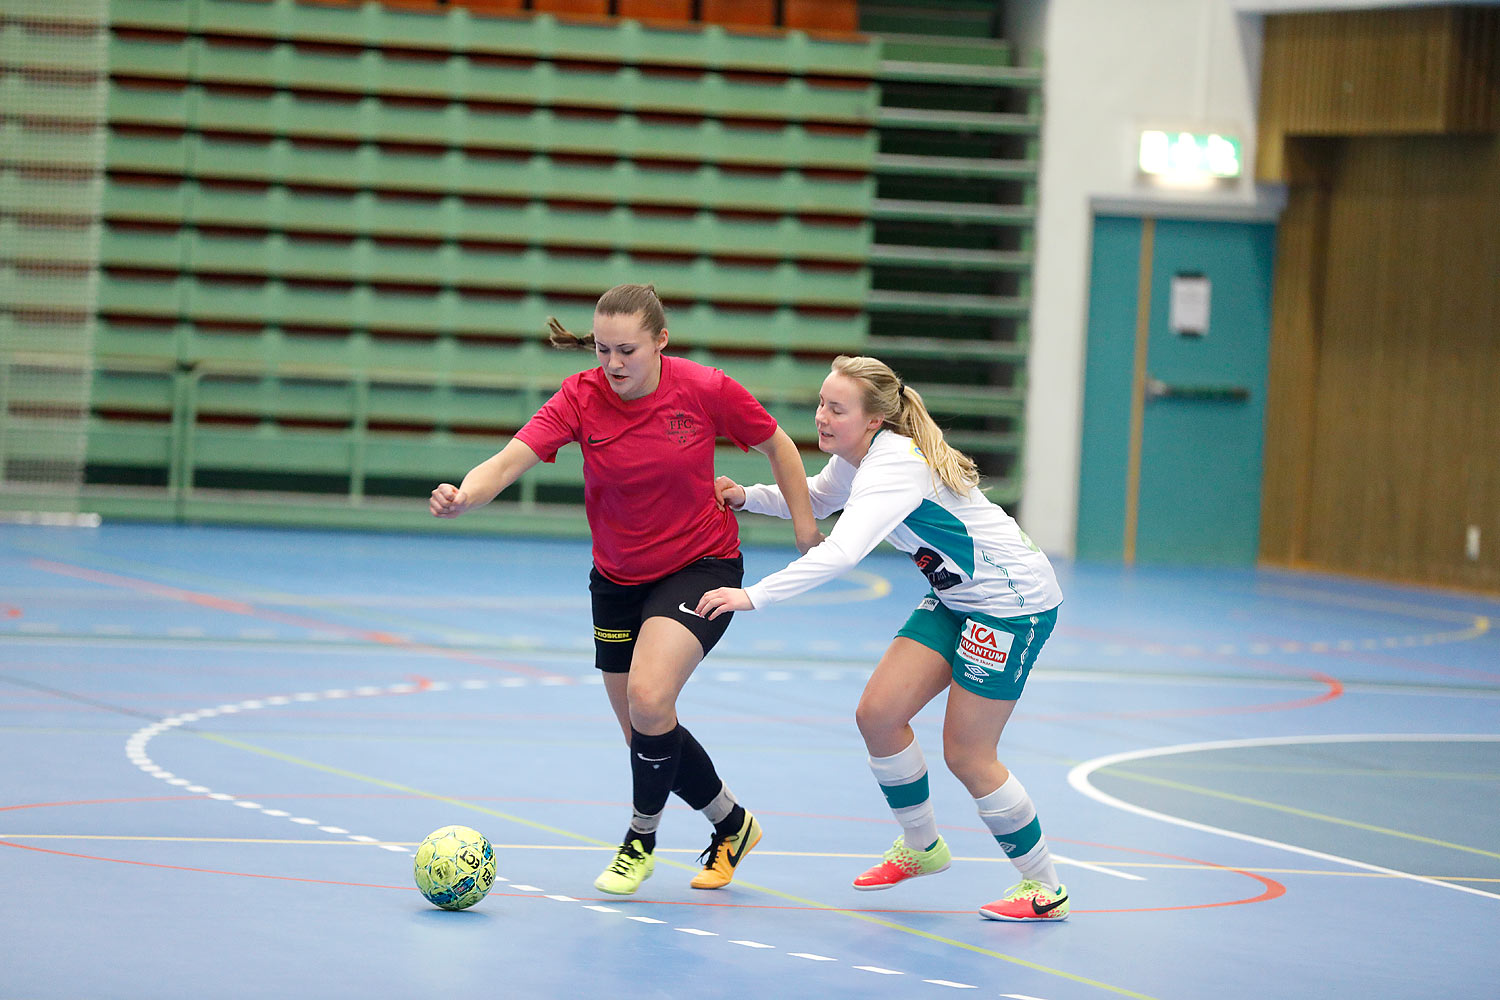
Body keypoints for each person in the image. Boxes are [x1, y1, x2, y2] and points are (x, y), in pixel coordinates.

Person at [431, 283, 819, 896]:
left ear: (661, 341)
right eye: (603, 349)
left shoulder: (705, 388)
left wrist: (804, 526)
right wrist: (464, 495)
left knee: (648, 695)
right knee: (645, 726)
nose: (612, 364)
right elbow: (508, 460)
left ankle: (640, 839)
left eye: (627, 351)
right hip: (615, 579)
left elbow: (778, 444)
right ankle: (732, 823)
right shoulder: (581, 397)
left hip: (700, 564)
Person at [695, 354, 1069, 922]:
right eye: (821, 403)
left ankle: (1044, 887)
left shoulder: (893, 465)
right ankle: (922, 846)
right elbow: (820, 499)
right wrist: (749, 496)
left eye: (836, 409)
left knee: (968, 754)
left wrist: (754, 595)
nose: (821, 417)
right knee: (877, 714)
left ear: (873, 420)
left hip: (1008, 605)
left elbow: (842, 551)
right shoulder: (860, 455)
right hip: (957, 598)